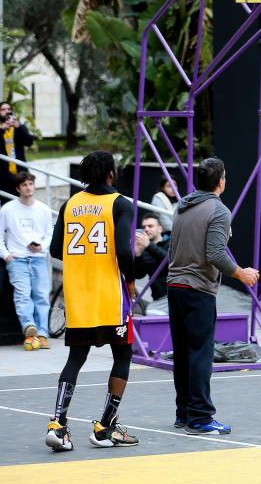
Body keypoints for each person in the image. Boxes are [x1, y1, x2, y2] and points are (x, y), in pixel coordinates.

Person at [44, 151, 146, 451]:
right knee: (123, 356)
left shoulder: (70, 204)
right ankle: (105, 428)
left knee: (76, 358)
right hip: (110, 297)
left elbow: (54, 249)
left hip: (79, 297)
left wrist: (85, 261)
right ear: (111, 174)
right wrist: (130, 280)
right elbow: (124, 253)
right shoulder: (119, 204)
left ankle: (58, 425)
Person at [167, 157, 259, 434]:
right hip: (197, 290)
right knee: (199, 354)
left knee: (183, 354)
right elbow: (215, 253)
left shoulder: (182, 207)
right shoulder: (218, 210)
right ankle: (200, 417)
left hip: (175, 286)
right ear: (220, 182)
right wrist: (240, 273)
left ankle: (184, 412)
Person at [0, 172, 53, 350]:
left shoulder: (44, 210)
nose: (28, 187)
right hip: (17, 259)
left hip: (38, 259)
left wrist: (42, 248)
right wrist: (6, 256)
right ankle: (29, 327)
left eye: (30, 184)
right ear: (17, 189)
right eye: (24, 185)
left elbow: (49, 235)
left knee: (42, 297)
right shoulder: (7, 209)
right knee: (23, 295)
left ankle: (43, 335)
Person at [0, 101, 35, 203]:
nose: (7, 111)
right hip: (4, 175)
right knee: (6, 204)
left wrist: (19, 127)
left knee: (23, 202)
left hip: (20, 173)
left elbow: (29, 141)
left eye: (9, 109)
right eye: (3, 109)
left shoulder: (18, 127)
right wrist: (2, 130)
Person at [134, 212, 171, 309]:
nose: (146, 229)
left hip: (174, 295)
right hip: (158, 299)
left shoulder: (171, 242)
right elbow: (139, 275)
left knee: (151, 312)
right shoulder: (145, 248)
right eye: (144, 227)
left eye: (150, 226)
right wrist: (138, 255)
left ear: (160, 229)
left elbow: (171, 262)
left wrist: (149, 245)